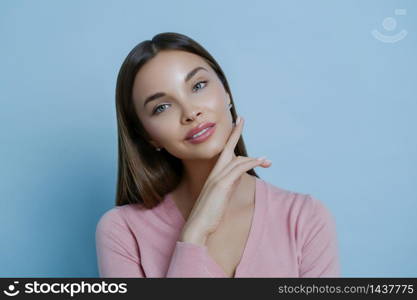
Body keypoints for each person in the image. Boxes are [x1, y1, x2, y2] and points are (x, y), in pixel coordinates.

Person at [95, 32, 341, 278]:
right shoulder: (123, 231)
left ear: (226, 93)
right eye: (162, 107)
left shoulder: (304, 217)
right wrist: (194, 234)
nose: (191, 112)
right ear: (148, 135)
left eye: (198, 86)